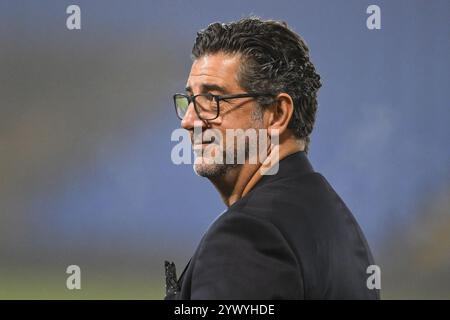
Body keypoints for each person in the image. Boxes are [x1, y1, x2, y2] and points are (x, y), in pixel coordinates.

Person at [165, 17, 379, 300]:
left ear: (277, 114)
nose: (189, 121)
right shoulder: (337, 225)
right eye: (190, 101)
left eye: (213, 100)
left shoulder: (248, 235)